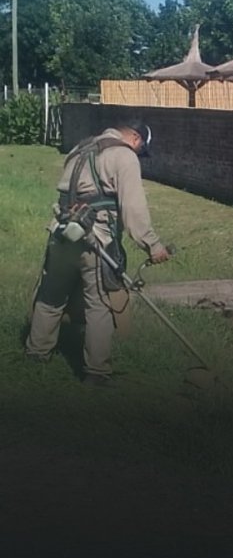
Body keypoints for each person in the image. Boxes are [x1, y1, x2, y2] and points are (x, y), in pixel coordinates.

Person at [25, 115, 171, 385]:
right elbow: (134, 209)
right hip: (95, 241)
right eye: (141, 149)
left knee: (51, 297)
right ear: (135, 139)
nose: (138, 153)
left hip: (60, 235)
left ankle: (37, 354)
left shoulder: (79, 149)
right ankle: (96, 372)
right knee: (100, 305)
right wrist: (153, 245)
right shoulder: (124, 156)